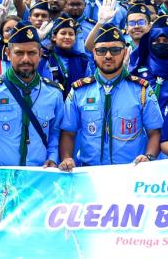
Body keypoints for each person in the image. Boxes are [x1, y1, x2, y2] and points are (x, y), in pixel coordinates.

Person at [0, 22, 64, 169]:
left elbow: (55, 132)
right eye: (19, 53)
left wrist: (52, 158)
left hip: (39, 175)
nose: (26, 59)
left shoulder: (54, 93)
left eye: (32, 53)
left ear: (40, 54)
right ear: (8, 54)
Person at [58, 24, 162, 168]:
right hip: (90, 172)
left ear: (124, 52)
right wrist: (66, 158)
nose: (108, 56)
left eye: (115, 50)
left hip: (131, 170)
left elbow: (155, 132)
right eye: (101, 51)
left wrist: (148, 157)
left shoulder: (141, 90)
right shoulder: (79, 91)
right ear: (94, 53)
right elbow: (68, 133)